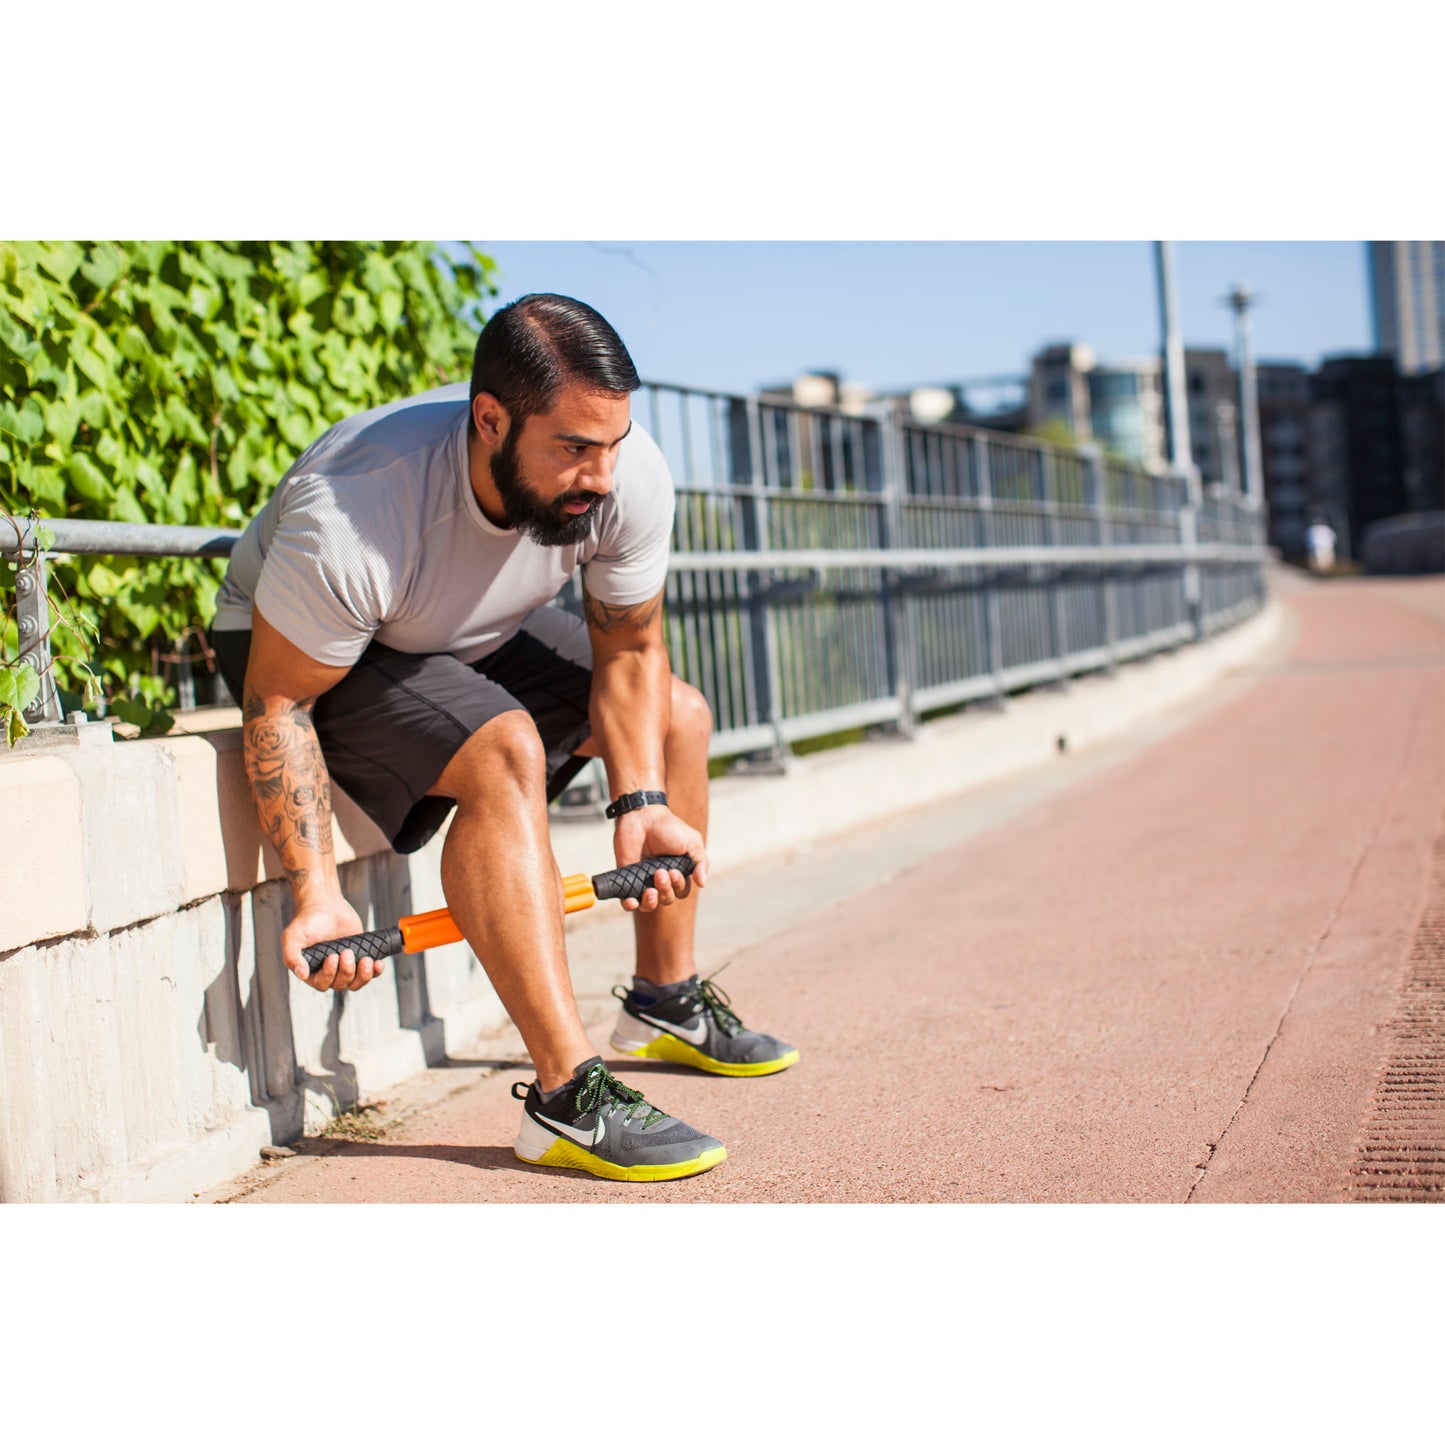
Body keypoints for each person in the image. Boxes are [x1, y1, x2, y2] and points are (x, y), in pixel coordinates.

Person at [210, 293, 797, 1183]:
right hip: (308, 652)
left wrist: (638, 801)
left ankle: (662, 999)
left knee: (679, 713)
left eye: (612, 444)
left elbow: (630, 649)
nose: (599, 475)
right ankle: (566, 1097)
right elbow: (279, 704)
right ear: (490, 420)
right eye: (571, 448)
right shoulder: (359, 511)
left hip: (458, 627)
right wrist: (318, 891)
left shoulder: (621, 471)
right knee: (503, 744)